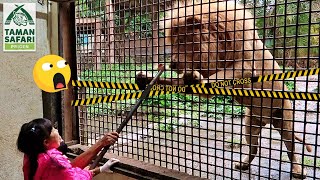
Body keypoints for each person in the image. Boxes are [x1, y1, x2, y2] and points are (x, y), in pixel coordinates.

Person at [17, 118, 120, 180]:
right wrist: (99, 169)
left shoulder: (32, 155)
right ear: (46, 142)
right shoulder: (53, 160)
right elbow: (73, 177)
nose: (57, 130)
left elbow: (67, 170)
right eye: (53, 129)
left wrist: (101, 143)